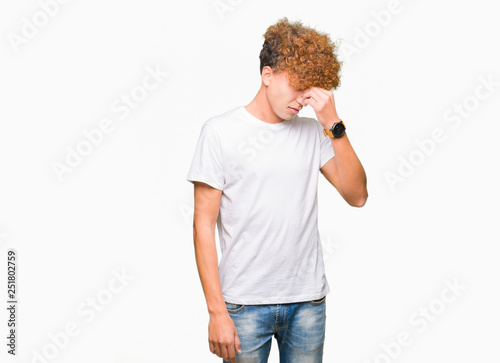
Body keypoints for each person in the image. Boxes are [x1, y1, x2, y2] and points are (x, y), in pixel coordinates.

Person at [186, 17, 368, 363]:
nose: (304, 100)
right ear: (267, 75)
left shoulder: (314, 133)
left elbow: (357, 196)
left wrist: (333, 124)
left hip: (308, 302)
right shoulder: (220, 133)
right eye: (298, 86)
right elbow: (202, 227)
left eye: (311, 90)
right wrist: (216, 312)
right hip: (243, 305)